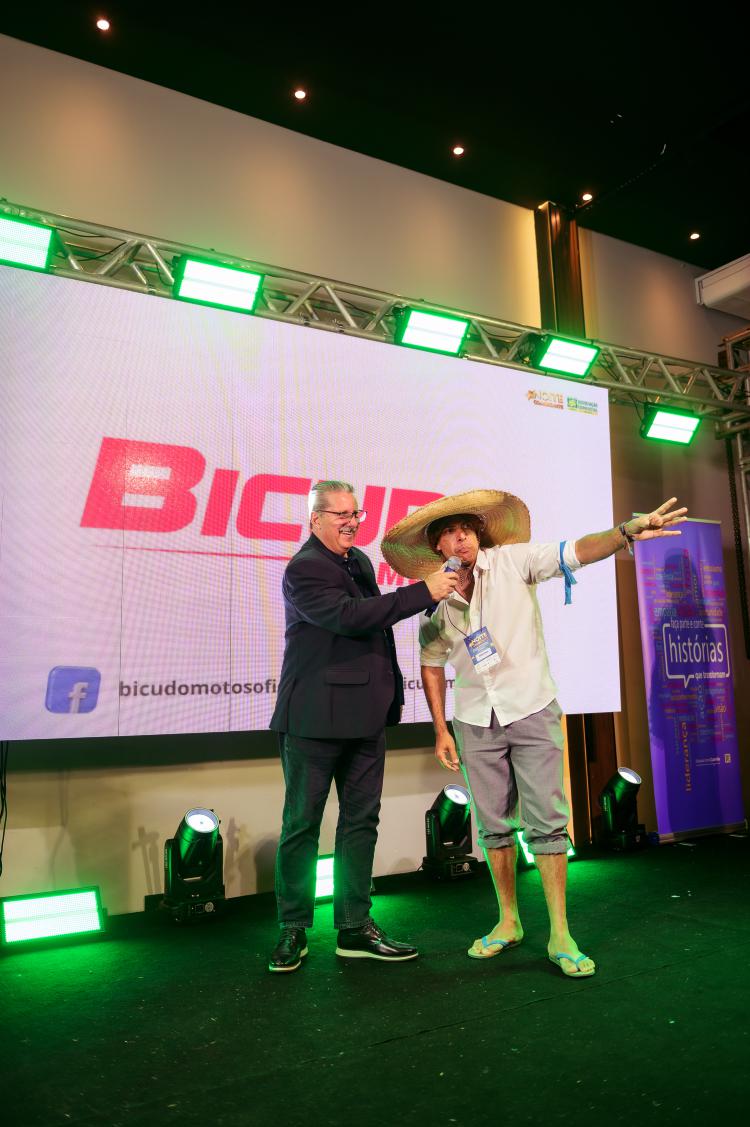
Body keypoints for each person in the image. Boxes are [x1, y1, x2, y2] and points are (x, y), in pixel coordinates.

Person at [381, 490, 686, 977]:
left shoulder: (513, 562)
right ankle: (508, 921)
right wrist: (441, 729)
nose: (460, 540)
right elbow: (431, 663)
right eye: (450, 534)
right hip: (475, 720)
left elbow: (575, 551)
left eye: (466, 531)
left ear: (479, 535)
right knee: (493, 827)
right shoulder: (435, 603)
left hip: (532, 708)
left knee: (547, 823)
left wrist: (624, 532)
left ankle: (560, 932)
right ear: (437, 547)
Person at [267, 479, 459, 972]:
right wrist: (421, 592)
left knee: (361, 822)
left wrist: (431, 596)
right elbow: (350, 617)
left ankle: (354, 927)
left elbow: (374, 623)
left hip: (366, 717)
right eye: (342, 515)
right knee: (302, 825)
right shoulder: (304, 567)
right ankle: (293, 928)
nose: (352, 522)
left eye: (356, 513)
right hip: (313, 719)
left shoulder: (360, 562)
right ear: (315, 519)